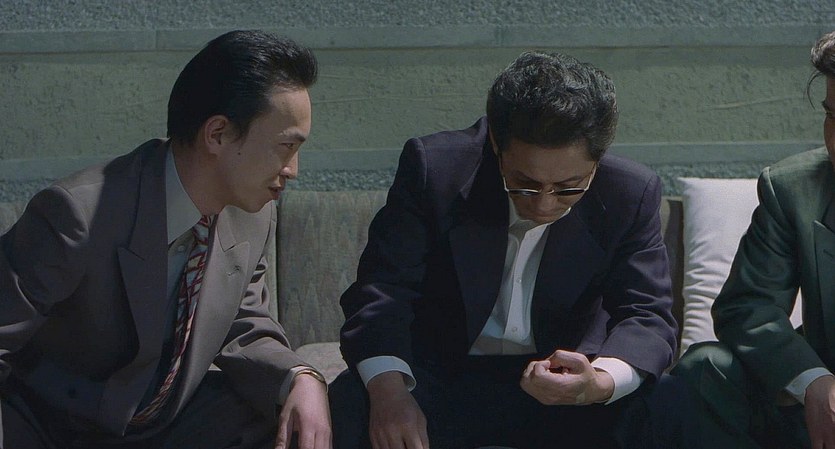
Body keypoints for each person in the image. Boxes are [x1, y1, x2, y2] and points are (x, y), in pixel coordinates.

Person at [330, 51, 695, 449]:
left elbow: (647, 315)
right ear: (495, 144)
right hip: (444, 379)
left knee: (668, 402)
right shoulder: (435, 169)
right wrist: (389, 394)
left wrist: (598, 383)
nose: (544, 204)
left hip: (565, 388)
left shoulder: (629, 192)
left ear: (597, 161)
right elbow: (383, 292)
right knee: (355, 400)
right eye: (525, 184)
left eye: (569, 188)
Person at [0, 30, 331, 449]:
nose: (293, 170)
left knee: (300, 414)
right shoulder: (77, 214)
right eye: (286, 147)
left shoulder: (253, 214)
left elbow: (243, 323)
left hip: (161, 424)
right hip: (54, 427)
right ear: (218, 134)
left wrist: (300, 378)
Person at [672, 30, 835, 449]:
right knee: (707, 368)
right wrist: (813, 382)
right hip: (817, 406)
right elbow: (747, 307)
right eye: (832, 117)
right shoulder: (793, 189)